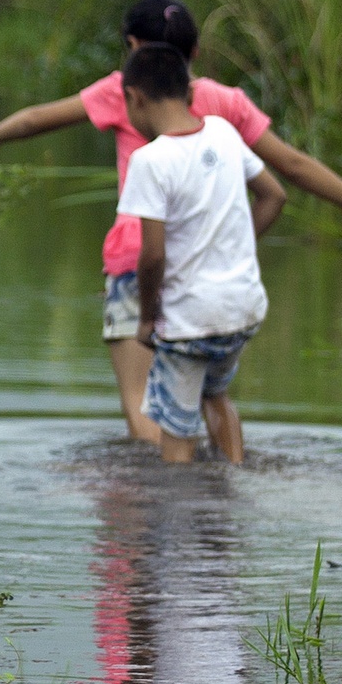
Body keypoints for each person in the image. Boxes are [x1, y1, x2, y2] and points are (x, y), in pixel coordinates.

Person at [0, 0, 342, 441]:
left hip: (138, 263)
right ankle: (220, 489)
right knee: (214, 397)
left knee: (145, 406)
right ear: (195, 53)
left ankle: (165, 496)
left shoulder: (124, 92)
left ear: (135, 50)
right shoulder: (225, 105)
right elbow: (291, 169)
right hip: (211, 279)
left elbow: (40, 117)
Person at [115, 45, 287, 464]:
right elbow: (274, 195)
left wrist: (146, 317)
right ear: (189, 91)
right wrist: (235, 247)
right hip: (241, 308)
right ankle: (236, 475)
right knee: (217, 395)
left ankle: (185, 514)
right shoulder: (225, 134)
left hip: (190, 319)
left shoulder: (149, 160)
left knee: (176, 428)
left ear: (135, 97)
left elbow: (152, 256)